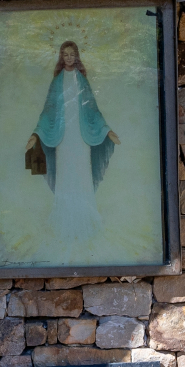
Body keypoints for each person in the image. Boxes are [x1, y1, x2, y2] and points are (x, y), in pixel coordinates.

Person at [25, 41, 119, 241]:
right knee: (66, 173)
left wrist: (106, 130)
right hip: (64, 137)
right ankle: (64, 221)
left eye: (72, 54)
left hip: (80, 135)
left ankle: (86, 218)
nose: (68, 58)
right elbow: (48, 110)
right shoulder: (57, 81)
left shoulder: (82, 80)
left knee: (82, 172)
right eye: (65, 54)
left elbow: (92, 108)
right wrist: (36, 133)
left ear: (77, 56)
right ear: (61, 57)